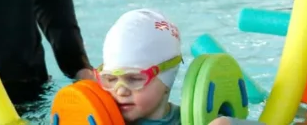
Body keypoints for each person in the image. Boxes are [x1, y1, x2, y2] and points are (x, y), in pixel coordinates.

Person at [96, 9, 260, 125]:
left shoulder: (193, 121)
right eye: (110, 79)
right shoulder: (98, 117)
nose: (120, 91)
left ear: (166, 80)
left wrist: (227, 123)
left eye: (134, 79)